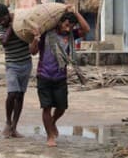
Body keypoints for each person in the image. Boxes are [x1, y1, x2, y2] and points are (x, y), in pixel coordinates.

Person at [29, 8, 90, 147]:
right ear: (59, 22)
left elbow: (86, 29)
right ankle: (50, 136)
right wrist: (35, 39)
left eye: (72, 26)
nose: (69, 29)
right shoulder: (46, 34)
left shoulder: (71, 36)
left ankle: (52, 122)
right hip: (44, 75)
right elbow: (33, 52)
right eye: (67, 25)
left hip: (60, 77)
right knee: (46, 107)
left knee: (62, 107)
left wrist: (76, 12)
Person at [0, 3, 32, 138]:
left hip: (26, 62)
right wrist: (11, 25)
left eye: (3, 19)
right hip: (12, 64)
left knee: (20, 96)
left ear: (8, 14)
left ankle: (14, 127)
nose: (1, 22)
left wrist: (17, 22)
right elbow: (4, 41)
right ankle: (8, 122)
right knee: (12, 93)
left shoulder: (20, 21)